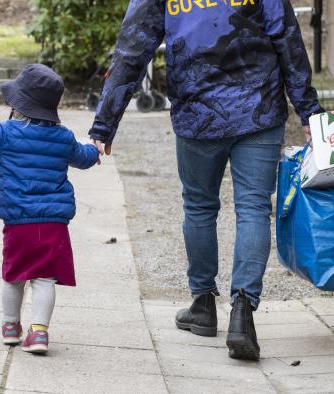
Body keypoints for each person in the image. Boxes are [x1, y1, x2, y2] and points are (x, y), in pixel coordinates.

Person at [90, 0, 324, 361]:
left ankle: (202, 304)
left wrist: (106, 121)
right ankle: (243, 312)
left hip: (198, 114)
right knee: (254, 207)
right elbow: (286, 37)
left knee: (199, 206)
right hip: (258, 109)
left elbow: (133, 47)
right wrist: (308, 110)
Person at [0, 64, 100, 354]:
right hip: (53, 223)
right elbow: (84, 157)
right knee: (44, 278)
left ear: (19, 104)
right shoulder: (63, 138)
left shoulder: (5, 133)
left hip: (18, 223)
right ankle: (39, 333)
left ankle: (11, 326)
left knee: (14, 275)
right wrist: (96, 148)